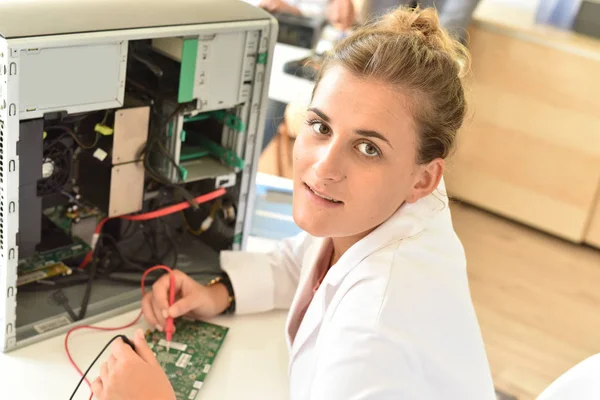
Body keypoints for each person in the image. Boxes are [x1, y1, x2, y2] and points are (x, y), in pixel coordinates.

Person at [91, 6, 496, 399]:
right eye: (320, 126)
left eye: (368, 148)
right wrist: (219, 292)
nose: (324, 168)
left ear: (425, 178)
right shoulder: (391, 204)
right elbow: (305, 261)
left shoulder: (374, 333)